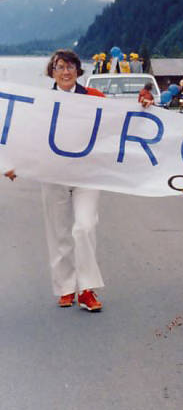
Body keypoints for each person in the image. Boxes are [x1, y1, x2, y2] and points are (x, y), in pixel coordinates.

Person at [3, 50, 106, 311]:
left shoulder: (94, 98)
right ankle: (65, 288)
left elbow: (121, 121)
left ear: (78, 70)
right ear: (52, 71)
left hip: (86, 175)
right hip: (53, 174)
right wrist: (13, 164)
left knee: (84, 227)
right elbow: (24, 134)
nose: (66, 71)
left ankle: (86, 290)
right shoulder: (42, 101)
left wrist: (144, 104)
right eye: (60, 67)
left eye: (70, 66)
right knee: (59, 232)